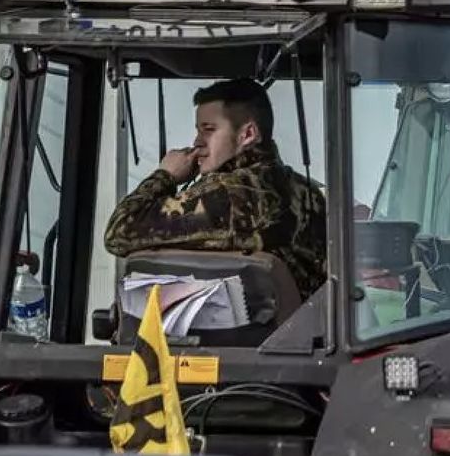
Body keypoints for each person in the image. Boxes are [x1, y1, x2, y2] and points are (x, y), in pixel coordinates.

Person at [104, 78, 327, 299]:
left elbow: (119, 233)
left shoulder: (227, 195)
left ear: (247, 134)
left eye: (208, 130)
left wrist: (166, 176)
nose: (197, 142)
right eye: (198, 131)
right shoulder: (308, 192)